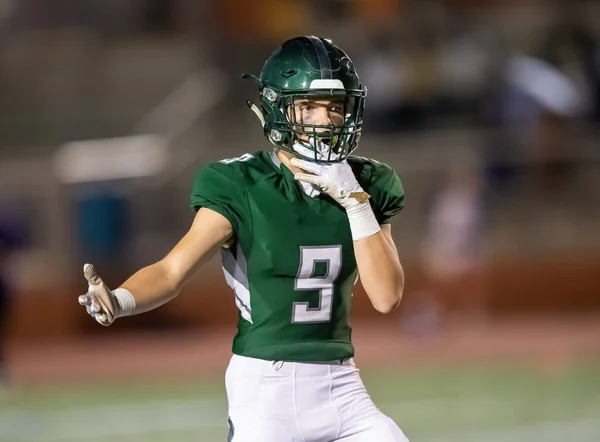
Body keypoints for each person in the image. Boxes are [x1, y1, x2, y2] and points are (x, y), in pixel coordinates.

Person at [78, 35, 408, 442]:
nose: (325, 120)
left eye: (335, 107)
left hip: (342, 385)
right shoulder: (242, 185)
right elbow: (171, 270)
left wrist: (356, 205)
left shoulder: (370, 182)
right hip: (265, 389)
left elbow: (386, 296)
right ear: (277, 110)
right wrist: (121, 299)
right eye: (308, 106)